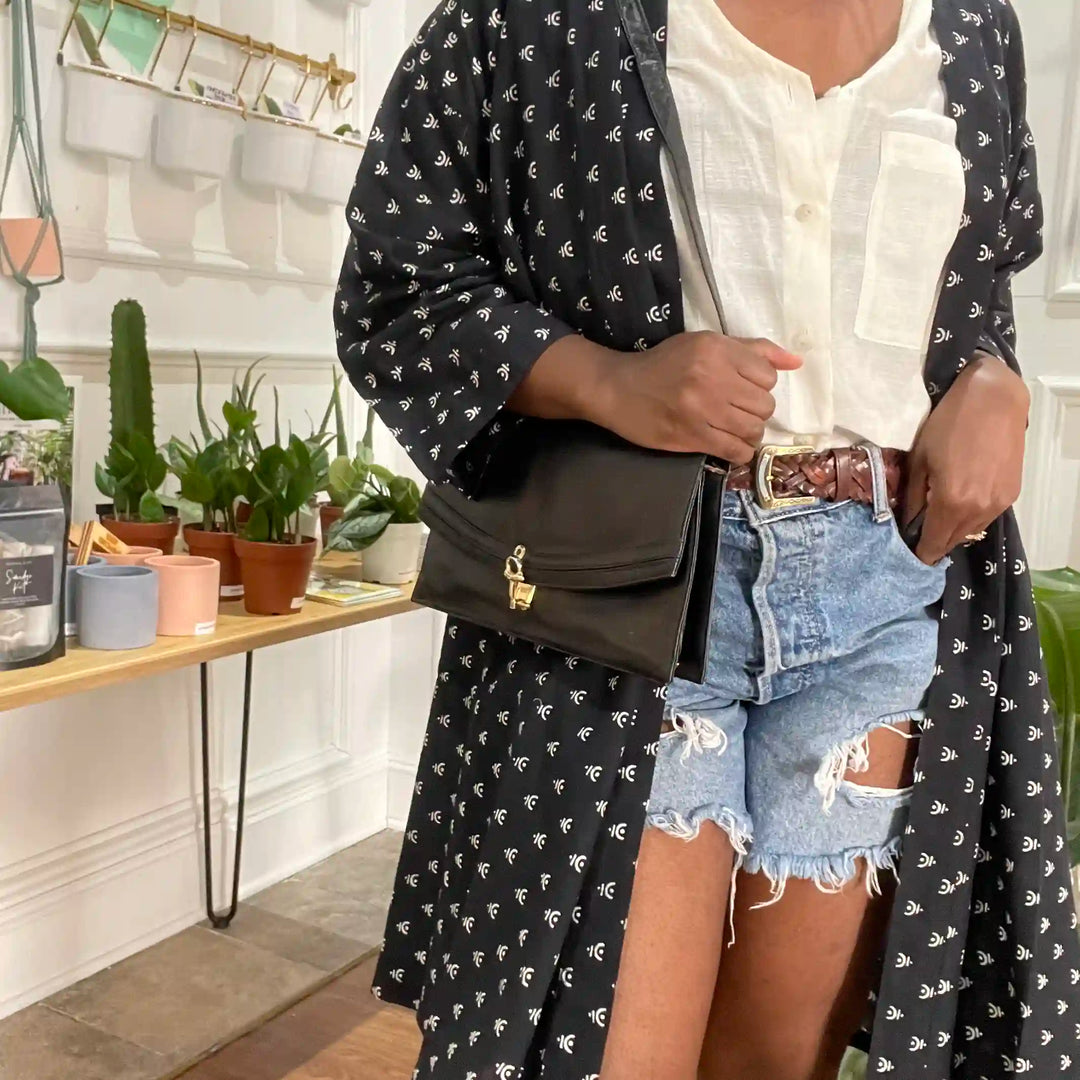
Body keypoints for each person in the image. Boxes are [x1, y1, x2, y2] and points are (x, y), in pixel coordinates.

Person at [335, 1, 1080, 1078]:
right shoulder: (542, 13)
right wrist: (608, 380)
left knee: (779, 1060)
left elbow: (975, 295)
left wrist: (998, 383)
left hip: (885, 588)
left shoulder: (971, 26)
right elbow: (398, 286)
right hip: (638, 595)